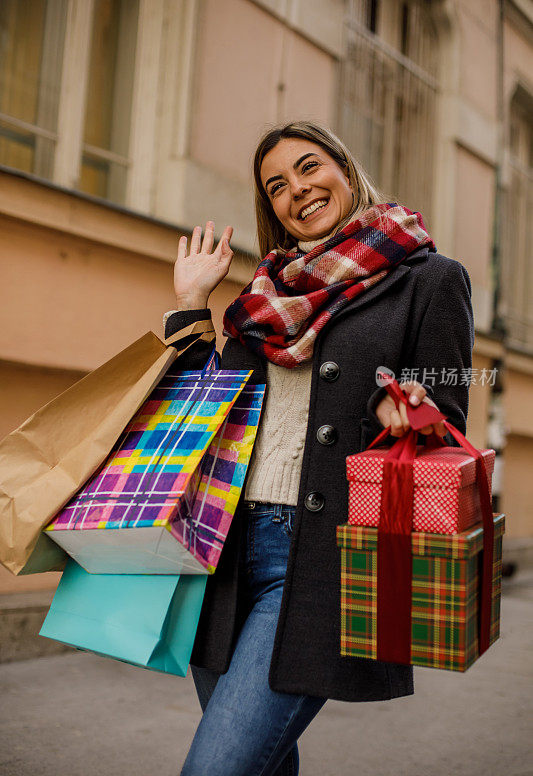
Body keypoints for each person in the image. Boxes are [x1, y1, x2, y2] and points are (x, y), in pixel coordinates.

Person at [165, 121, 474, 776]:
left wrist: (409, 411)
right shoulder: (259, 298)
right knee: (262, 763)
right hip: (221, 552)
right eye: (276, 185)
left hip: (320, 558)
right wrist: (193, 301)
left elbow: (449, 400)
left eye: (309, 168)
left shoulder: (430, 278)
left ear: (344, 166)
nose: (296, 190)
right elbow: (201, 411)